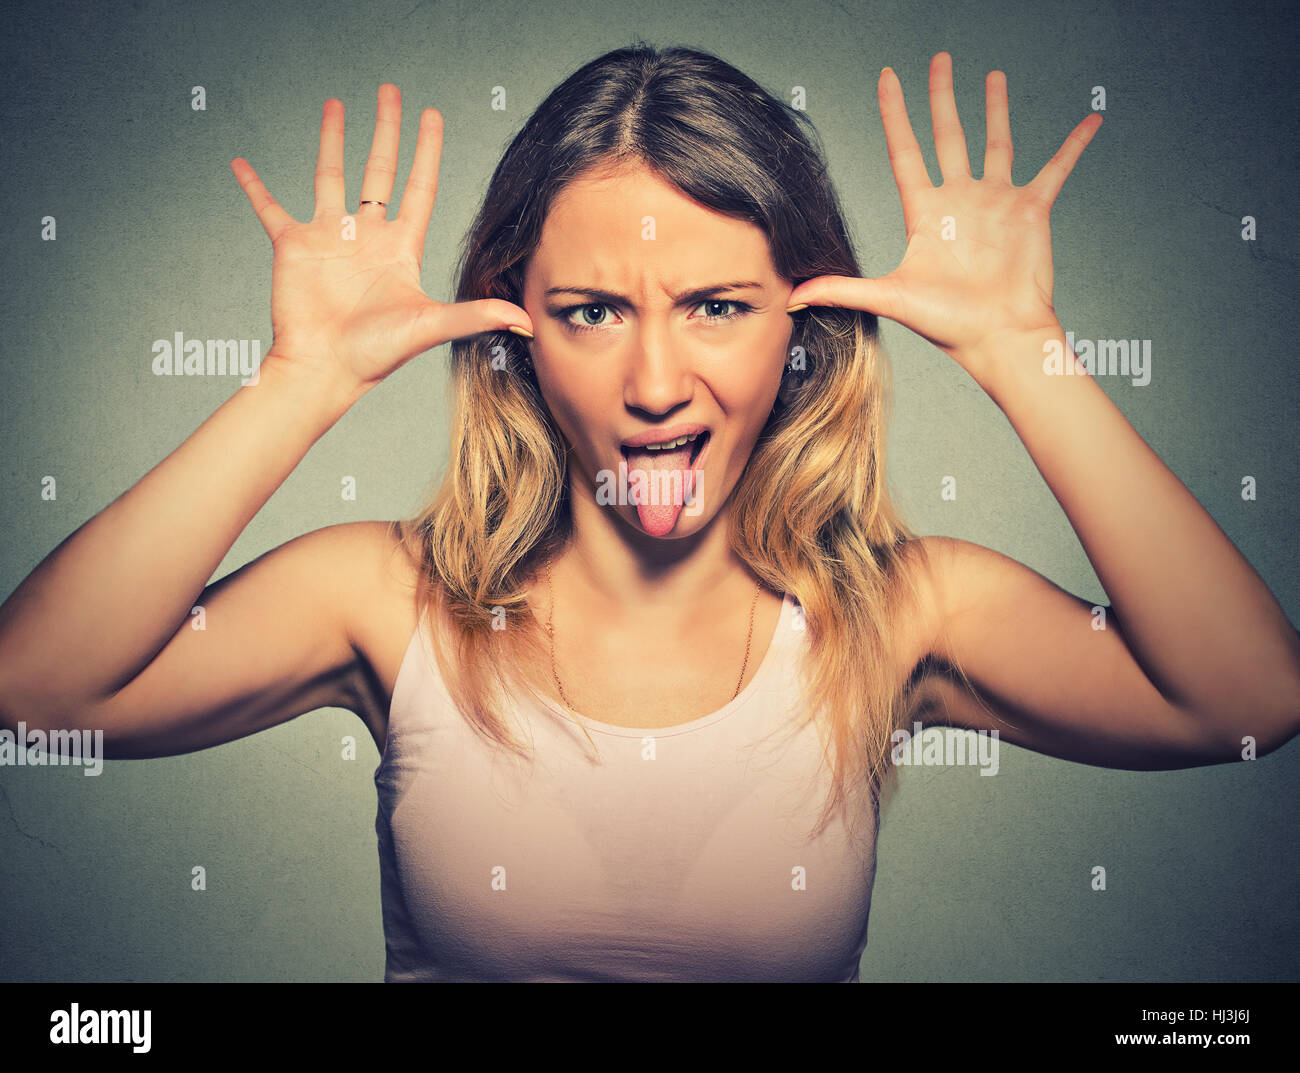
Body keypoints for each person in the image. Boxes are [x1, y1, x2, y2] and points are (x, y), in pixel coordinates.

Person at [1, 44, 1297, 983]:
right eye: (594, 311)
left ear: (805, 319)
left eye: (720, 306)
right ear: (514, 323)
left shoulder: (895, 613)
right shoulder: (388, 600)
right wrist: (302, 382)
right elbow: (33, 689)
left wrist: (1024, 347)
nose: (658, 383)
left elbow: (1247, 701)